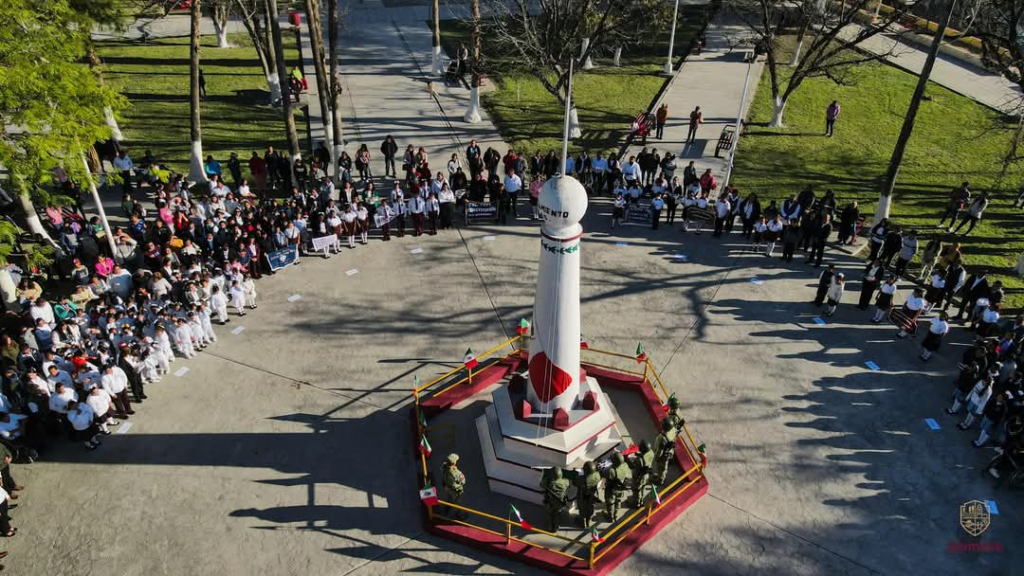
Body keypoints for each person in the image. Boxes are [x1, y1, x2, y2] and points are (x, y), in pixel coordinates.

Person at [603, 452, 632, 521]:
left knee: (610, 502)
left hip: (611, 489)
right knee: (618, 500)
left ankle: (611, 516)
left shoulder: (610, 470)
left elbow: (603, 474)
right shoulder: (625, 465)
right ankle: (616, 514)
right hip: (620, 488)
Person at [541, 467, 570, 531]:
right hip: (560, 503)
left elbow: (541, 484)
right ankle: (556, 527)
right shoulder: (565, 481)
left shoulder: (548, 482)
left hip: (550, 503)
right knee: (557, 514)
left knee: (550, 514)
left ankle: (550, 526)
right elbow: (569, 484)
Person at [574, 461, 601, 528]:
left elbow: (575, 483)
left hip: (583, 497)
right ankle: (588, 521)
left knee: (582, 509)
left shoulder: (581, 479)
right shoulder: (597, 475)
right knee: (590, 509)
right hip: (592, 496)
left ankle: (582, 522)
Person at [628, 440, 655, 507]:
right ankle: (641, 500)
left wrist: (630, 458)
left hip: (639, 476)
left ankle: (636, 503)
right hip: (646, 475)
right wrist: (636, 453)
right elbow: (643, 456)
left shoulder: (639, 459)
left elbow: (633, 465)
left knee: (636, 489)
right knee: (642, 487)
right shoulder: (651, 452)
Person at [651, 418, 677, 486]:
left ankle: (660, 480)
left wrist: (657, 458)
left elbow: (660, 451)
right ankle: (661, 477)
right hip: (670, 452)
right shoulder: (673, 430)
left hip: (663, 455)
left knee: (661, 468)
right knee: (664, 466)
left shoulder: (662, 438)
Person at [442, 453, 466, 518]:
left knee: (449, 498)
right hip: (455, 491)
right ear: (454, 463)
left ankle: (447, 508)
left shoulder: (444, 466)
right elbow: (463, 482)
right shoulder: (457, 473)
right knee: (458, 502)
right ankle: (460, 514)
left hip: (447, 487)